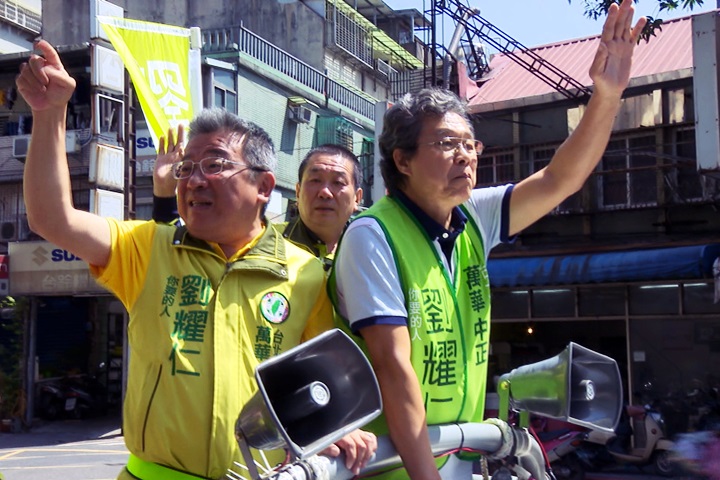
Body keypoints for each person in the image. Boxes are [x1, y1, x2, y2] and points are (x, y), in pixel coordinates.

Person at [16, 40, 376, 480]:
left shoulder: (306, 275)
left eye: (215, 165)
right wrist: (49, 112)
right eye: (187, 168)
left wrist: (339, 429)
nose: (194, 180)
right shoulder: (147, 248)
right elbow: (53, 219)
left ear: (263, 187)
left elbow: (321, 383)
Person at [328, 1, 647, 478]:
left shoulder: (472, 217)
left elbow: (561, 179)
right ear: (403, 161)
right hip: (392, 467)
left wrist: (608, 93)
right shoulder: (372, 236)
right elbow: (394, 369)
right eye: (445, 144)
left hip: (460, 458)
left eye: (469, 144)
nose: (465, 157)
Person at [152, 136, 363, 269]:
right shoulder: (258, 241)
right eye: (315, 180)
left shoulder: (371, 252)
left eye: (338, 182)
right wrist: (164, 196)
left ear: (357, 198)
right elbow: (179, 256)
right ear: (297, 192)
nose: (325, 192)